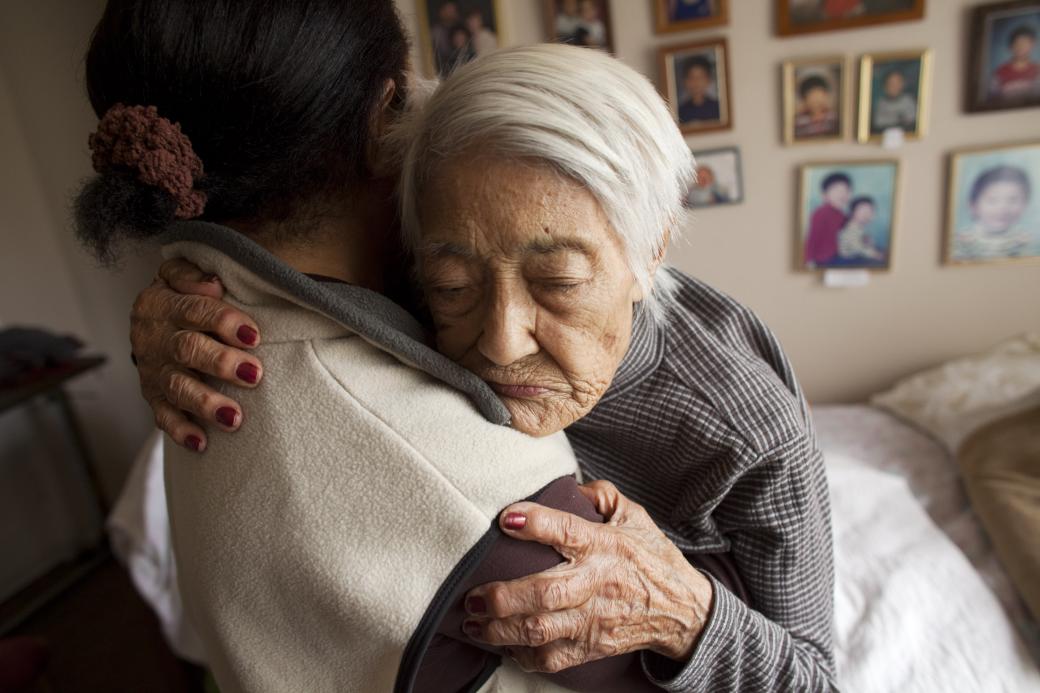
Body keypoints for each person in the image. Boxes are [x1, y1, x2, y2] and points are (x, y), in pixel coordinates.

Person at [132, 44, 837, 691]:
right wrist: (173, 308)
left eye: (557, 281)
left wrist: (687, 613)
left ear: (650, 251)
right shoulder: (427, 242)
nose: (500, 342)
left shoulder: (750, 436)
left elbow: (817, 678)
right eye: (452, 288)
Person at [954, 165, 1032, 260]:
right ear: (973, 206)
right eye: (992, 200)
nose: (1003, 208)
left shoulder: (1024, 242)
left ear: (1025, 205)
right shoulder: (962, 242)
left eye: (1013, 200)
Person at [804, 172, 852, 267]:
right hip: (825, 259)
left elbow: (850, 232)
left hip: (838, 255)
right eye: (836, 190)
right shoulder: (821, 213)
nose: (842, 194)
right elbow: (812, 238)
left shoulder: (842, 215)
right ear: (824, 196)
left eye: (845, 190)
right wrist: (809, 260)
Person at [991, 25, 1040, 99]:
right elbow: (993, 99)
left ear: (1032, 45)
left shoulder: (1038, 70)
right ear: (1011, 46)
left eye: (1025, 43)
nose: (1021, 47)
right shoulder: (1000, 72)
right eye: (1017, 43)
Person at [837, 196, 884, 263]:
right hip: (848, 261)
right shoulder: (850, 229)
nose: (866, 214)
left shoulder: (860, 228)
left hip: (857, 258)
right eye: (862, 211)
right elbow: (859, 248)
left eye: (870, 211)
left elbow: (867, 244)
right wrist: (876, 255)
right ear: (852, 212)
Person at [871, 67, 917, 132]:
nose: (894, 87)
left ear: (903, 84)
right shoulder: (880, 103)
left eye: (897, 83)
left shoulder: (908, 101)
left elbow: (912, 122)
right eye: (891, 84)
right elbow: (878, 124)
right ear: (885, 86)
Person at [794, 73, 839, 139]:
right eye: (812, 96)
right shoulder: (799, 122)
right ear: (804, 99)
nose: (816, 100)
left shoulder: (833, 118)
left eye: (819, 95)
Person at [677, 56, 720, 123]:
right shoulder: (680, 111)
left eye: (700, 77)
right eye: (691, 77)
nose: (696, 82)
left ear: (708, 80)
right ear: (685, 81)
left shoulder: (717, 108)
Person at [431, 2, 461, 74]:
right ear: (441, 12)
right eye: (448, 11)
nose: (450, 13)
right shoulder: (436, 31)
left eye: (452, 11)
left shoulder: (461, 29)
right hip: (444, 69)